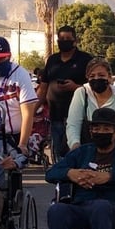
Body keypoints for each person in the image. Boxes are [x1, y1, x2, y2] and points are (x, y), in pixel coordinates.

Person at [65, 58, 115, 158]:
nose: (97, 78)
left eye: (101, 75)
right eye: (92, 76)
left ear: (109, 77)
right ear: (87, 78)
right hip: (88, 153)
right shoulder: (81, 93)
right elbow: (73, 123)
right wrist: (75, 145)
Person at [37, 26, 94, 162]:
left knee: (78, 152)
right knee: (59, 152)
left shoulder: (85, 59)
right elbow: (43, 87)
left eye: (68, 39)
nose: (64, 41)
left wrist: (76, 87)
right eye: (61, 39)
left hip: (79, 117)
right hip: (56, 116)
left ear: (75, 41)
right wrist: (33, 110)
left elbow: (94, 86)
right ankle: (62, 180)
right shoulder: (52, 60)